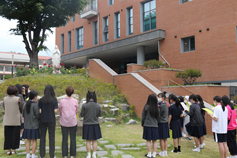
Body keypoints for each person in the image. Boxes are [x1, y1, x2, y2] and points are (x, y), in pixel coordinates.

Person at [80, 91, 102, 158]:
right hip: (95, 124)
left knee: (88, 140)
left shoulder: (84, 105)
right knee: (95, 140)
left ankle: (89, 155)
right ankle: (94, 155)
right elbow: (99, 114)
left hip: (87, 124)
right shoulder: (97, 105)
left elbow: (81, 115)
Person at [39, 85, 58, 158]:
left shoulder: (41, 100)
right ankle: (52, 155)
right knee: (51, 137)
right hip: (51, 120)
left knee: (42, 137)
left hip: (43, 120)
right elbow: (55, 111)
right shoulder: (54, 100)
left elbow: (39, 111)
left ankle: (42, 155)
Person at [2, 85, 22, 156]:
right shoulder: (18, 99)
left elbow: (4, 107)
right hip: (15, 120)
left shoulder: (4, 99)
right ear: (15, 91)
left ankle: (8, 150)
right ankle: (13, 150)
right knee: (15, 135)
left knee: (7, 136)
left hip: (7, 119)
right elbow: (20, 108)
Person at [59, 87, 79, 158]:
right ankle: (72, 155)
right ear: (72, 93)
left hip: (64, 121)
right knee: (73, 138)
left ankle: (65, 155)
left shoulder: (62, 101)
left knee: (65, 138)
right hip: (73, 121)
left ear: (65, 92)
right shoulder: (75, 101)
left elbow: (60, 111)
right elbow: (76, 111)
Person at [22, 91, 40, 158]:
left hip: (26, 125)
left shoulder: (25, 105)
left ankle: (27, 154)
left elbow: (23, 115)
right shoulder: (35, 105)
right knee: (34, 140)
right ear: (35, 96)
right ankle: (33, 155)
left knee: (28, 140)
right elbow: (38, 115)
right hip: (34, 125)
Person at [157, 93, 169, 157]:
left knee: (161, 138)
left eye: (159, 97)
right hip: (165, 122)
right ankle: (165, 151)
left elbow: (158, 115)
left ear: (163, 98)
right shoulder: (165, 104)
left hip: (161, 123)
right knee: (165, 138)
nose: (158, 98)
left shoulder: (162, 105)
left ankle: (162, 151)